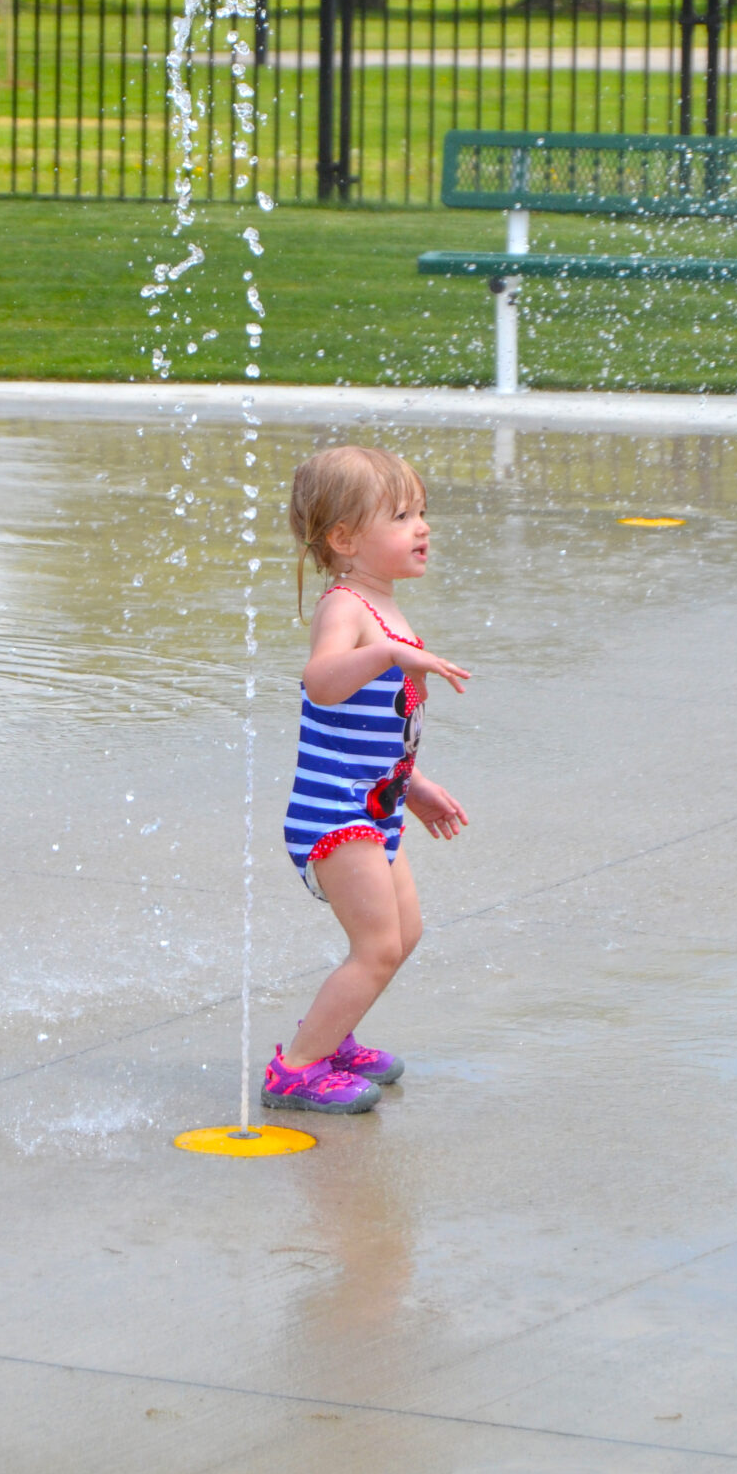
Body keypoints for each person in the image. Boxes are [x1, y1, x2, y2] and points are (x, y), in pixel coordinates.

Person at [262, 444, 470, 1115]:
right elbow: (321, 683)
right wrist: (385, 652)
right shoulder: (346, 607)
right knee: (376, 946)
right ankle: (294, 1071)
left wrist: (415, 786)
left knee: (403, 936)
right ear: (345, 539)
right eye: (401, 516)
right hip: (334, 813)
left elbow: (373, 730)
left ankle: (329, 1036)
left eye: (421, 512)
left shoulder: (384, 607)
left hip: (376, 805)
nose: (422, 527)